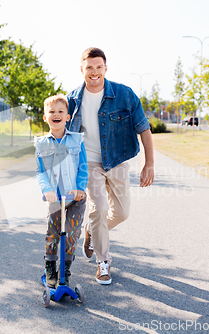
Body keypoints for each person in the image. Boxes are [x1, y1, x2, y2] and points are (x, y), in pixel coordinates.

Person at [67, 47, 154, 285]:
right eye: (89, 68)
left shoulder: (124, 94)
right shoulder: (73, 99)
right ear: (82, 70)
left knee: (123, 213)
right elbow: (63, 135)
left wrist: (149, 164)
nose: (94, 72)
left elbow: (143, 128)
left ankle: (93, 231)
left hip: (117, 159)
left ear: (106, 68)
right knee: (99, 207)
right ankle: (103, 263)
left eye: (98, 67)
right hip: (89, 162)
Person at [35, 94, 88, 288]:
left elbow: (83, 167)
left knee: (72, 233)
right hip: (55, 199)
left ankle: (65, 269)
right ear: (45, 117)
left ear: (67, 117)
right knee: (53, 233)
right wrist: (47, 190)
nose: (56, 115)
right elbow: (40, 171)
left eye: (60, 111)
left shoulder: (76, 140)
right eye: (51, 112)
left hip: (75, 198)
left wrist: (80, 188)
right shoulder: (41, 144)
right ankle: (50, 266)